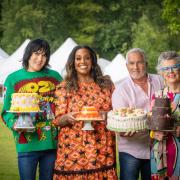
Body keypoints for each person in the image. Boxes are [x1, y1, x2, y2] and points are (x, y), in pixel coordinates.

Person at [1, 39, 62, 180]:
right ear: (28, 54)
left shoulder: (55, 77)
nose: (40, 59)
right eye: (36, 53)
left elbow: (64, 105)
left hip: (52, 144)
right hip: (27, 146)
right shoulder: (13, 79)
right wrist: (14, 125)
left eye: (44, 55)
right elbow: (5, 112)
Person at [53, 45, 117, 179]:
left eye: (87, 58)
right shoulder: (64, 87)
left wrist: (108, 115)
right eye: (78, 58)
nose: (83, 61)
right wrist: (67, 117)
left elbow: (117, 112)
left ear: (93, 61)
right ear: (73, 62)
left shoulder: (106, 85)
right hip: (72, 150)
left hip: (102, 149)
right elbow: (58, 120)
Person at [112, 48, 164, 180]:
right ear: (126, 66)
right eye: (131, 63)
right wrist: (123, 130)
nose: (135, 67)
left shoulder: (160, 81)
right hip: (131, 149)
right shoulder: (121, 90)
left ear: (146, 64)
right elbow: (121, 120)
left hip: (157, 147)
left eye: (139, 62)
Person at [150, 51, 180, 180]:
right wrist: (153, 133)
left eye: (174, 67)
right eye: (166, 68)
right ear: (161, 72)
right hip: (160, 153)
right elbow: (152, 125)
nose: (170, 71)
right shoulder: (157, 96)